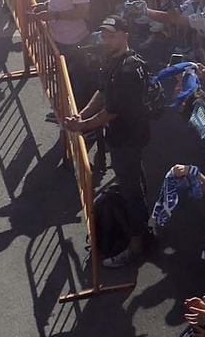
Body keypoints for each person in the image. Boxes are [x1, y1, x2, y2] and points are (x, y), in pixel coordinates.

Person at [62, 15, 150, 267]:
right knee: (133, 185)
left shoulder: (129, 70)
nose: (106, 39)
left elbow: (111, 110)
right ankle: (140, 229)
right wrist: (83, 114)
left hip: (127, 138)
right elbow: (102, 92)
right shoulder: (114, 61)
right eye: (104, 35)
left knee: (132, 191)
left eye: (111, 35)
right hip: (121, 137)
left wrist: (82, 125)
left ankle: (136, 245)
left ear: (125, 34)